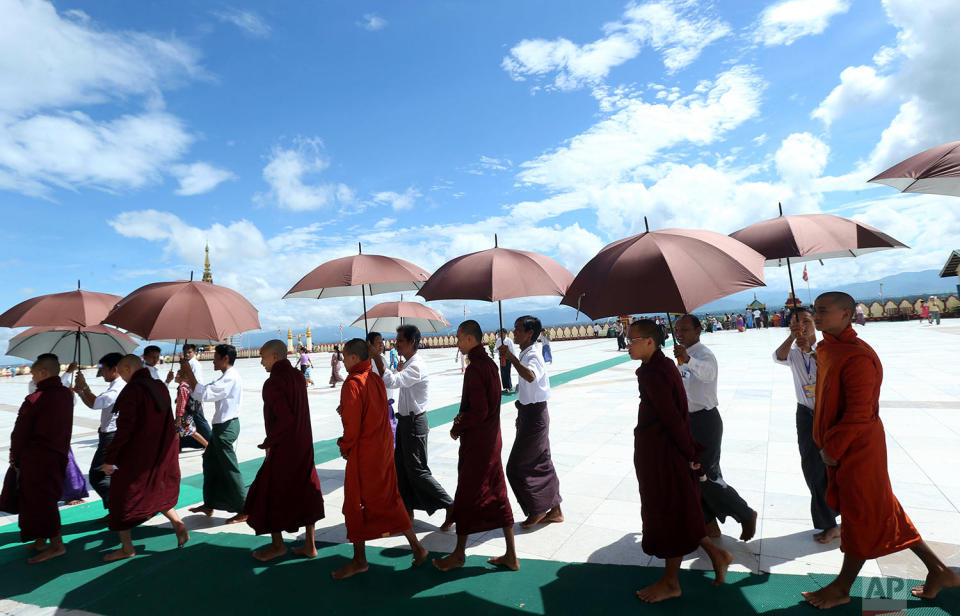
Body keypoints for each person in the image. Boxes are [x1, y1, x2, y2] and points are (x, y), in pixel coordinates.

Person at [802, 292, 960, 608]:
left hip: (857, 448)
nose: (816, 316)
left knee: (860, 513)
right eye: (814, 311)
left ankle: (842, 587)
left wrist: (833, 448)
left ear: (847, 314)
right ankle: (939, 570)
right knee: (881, 508)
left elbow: (860, 413)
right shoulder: (830, 348)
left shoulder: (857, 356)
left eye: (823, 311)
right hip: (844, 446)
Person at [628, 321, 732, 602]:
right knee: (681, 507)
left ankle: (671, 582)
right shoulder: (658, 366)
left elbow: (673, 417)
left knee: (668, 511)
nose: (628, 345)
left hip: (665, 453)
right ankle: (717, 554)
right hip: (658, 451)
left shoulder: (657, 373)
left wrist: (690, 454)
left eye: (632, 340)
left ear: (650, 342)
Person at [332, 338, 427, 579]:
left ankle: (359, 560)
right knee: (389, 499)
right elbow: (372, 412)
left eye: (345, 355)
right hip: (382, 450)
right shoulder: (373, 379)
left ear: (354, 358)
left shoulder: (353, 383)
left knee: (355, 502)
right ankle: (417, 548)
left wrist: (345, 445)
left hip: (364, 453)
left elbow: (352, 425)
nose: (343, 360)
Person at [434, 320, 517, 572]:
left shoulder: (476, 368)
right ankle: (511, 555)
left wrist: (458, 426)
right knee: (497, 492)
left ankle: (459, 554)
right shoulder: (489, 364)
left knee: (467, 494)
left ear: (471, 339)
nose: (457, 342)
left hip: (479, 443)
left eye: (459, 338)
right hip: (491, 439)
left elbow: (478, 411)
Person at [673, 315, 757, 541]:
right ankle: (709, 524)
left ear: (698, 331)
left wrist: (688, 359)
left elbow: (708, 374)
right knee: (691, 474)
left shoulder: (703, 354)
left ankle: (745, 513)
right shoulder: (681, 356)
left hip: (705, 420)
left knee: (706, 474)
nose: (679, 333)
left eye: (685, 329)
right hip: (687, 420)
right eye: (677, 329)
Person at [243, 340, 325, 562]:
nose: (261, 362)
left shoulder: (273, 383)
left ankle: (277, 545)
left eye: (263, 357)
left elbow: (284, 420)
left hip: (284, 446)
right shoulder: (298, 376)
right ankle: (310, 544)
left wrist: (268, 443)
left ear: (275, 357)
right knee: (306, 489)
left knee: (269, 492)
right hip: (304, 444)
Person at [101, 355, 187, 562]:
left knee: (120, 501)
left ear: (129, 368)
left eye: (122, 372)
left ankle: (127, 548)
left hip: (136, 455)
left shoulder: (134, 390)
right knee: (157, 488)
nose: (122, 377)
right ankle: (177, 522)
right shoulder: (158, 386)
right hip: (161, 451)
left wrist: (110, 458)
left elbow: (125, 429)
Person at [773, 308, 839, 543]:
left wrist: (809, 349)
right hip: (806, 413)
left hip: (830, 413)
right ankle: (828, 522)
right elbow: (778, 356)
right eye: (795, 322)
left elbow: (829, 367)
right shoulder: (792, 353)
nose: (801, 325)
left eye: (806, 321)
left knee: (839, 466)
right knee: (812, 467)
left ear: (816, 324)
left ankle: (851, 516)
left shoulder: (826, 349)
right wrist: (793, 338)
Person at [0, 354, 73, 563]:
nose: (31, 377)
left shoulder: (36, 398)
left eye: (33, 373)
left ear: (43, 372)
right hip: (57, 455)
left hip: (37, 459)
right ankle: (41, 540)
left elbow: (20, 432)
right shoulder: (66, 394)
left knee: (42, 502)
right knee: (38, 500)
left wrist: (14, 458)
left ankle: (57, 545)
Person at [380, 324, 454, 527]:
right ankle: (407, 510)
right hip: (405, 420)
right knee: (401, 467)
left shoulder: (416, 365)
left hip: (414, 422)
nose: (397, 345)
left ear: (412, 342)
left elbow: (393, 382)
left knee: (417, 469)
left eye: (400, 341)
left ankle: (450, 505)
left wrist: (378, 358)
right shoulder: (408, 363)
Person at [500, 316, 563, 528]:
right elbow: (528, 389)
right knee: (542, 461)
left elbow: (530, 377)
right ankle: (555, 510)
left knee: (516, 466)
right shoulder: (526, 353)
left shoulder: (533, 355)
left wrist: (511, 358)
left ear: (530, 333)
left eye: (518, 330)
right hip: (530, 413)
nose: (514, 333)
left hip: (536, 416)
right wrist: (522, 412)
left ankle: (536, 510)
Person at [180, 344, 247, 524]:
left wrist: (189, 373)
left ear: (225, 358)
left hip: (226, 427)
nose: (213, 360)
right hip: (221, 427)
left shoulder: (230, 377)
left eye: (216, 357)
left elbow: (205, 394)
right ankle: (210, 504)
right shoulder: (225, 377)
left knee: (229, 468)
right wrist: (186, 377)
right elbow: (202, 389)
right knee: (209, 461)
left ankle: (244, 509)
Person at [74, 352, 125, 520]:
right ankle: (116, 509)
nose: (101, 373)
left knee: (97, 475)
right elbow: (95, 403)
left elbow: (96, 403)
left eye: (103, 369)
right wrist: (82, 391)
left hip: (111, 436)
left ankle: (119, 509)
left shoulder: (118, 387)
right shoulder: (117, 385)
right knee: (110, 474)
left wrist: (84, 388)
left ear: (114, 369)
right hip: (110, 434)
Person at [166, 344, 211, 447]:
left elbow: (196, 382)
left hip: (193, 396)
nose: (187, 354)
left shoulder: (194, 364)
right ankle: (181, 444)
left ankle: (209, 442)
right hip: (189, 395)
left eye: (189, 352)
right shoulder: (186, 364)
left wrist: (183, 381)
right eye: (185, 352)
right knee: (194, 423)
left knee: (200, 420)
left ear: (194, 352)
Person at [173, 370, 208, 449]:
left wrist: (179, 417)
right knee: (177, 432)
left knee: (192, 432)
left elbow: (182, 404)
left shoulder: (182, 388)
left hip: (183, 415)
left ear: (183, 377)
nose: (175, 377)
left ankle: (207, 445)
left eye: (177, 375)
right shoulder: (186, 386)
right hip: (186, 414)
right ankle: (177, 448)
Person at [497, 329, 516, 394]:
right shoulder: (499, 340)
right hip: (501, 358)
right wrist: (498, 349)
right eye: (499, 333)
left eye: (500, 333)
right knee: (502, 372)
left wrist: (513, 359)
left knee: (507, 372)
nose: (499, 334)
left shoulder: (509, 340)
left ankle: (509, 386)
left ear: (505, 334)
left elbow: (513, 350)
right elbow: (495, 349)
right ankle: (505, 387)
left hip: (508, 358)